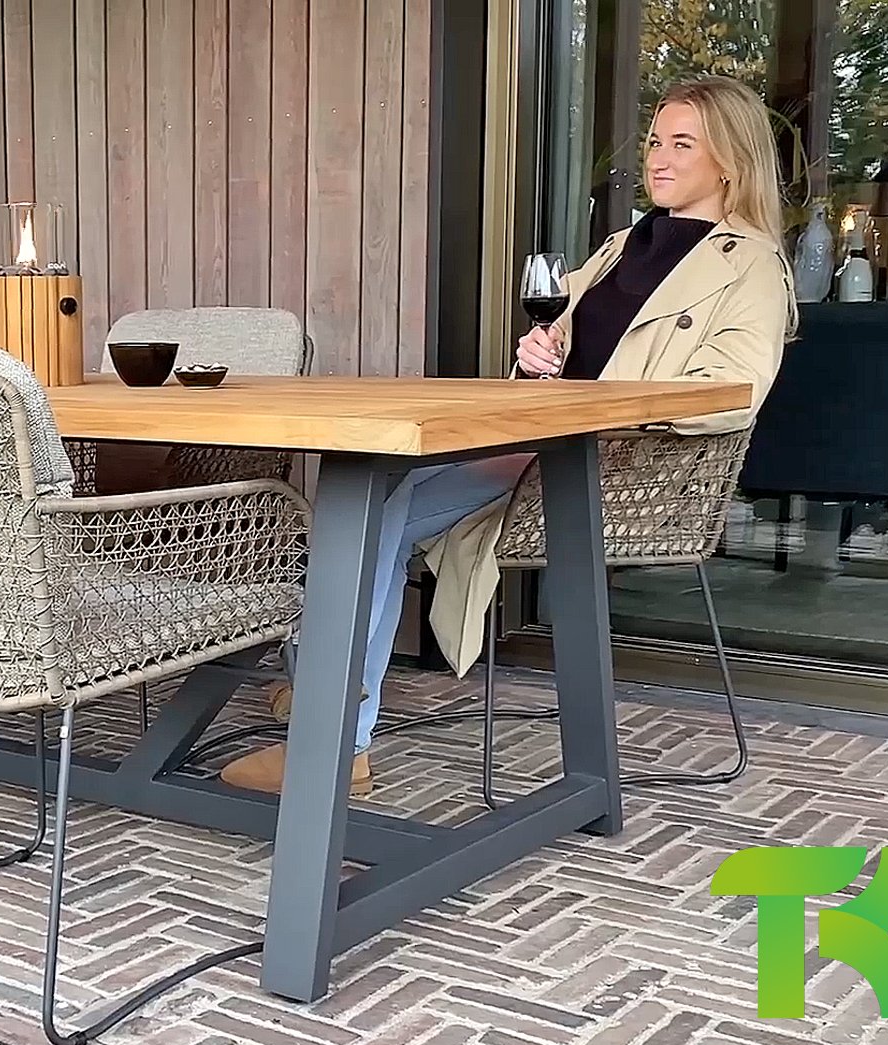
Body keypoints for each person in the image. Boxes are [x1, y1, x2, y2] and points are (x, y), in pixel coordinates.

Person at [220, 74, 797, 796]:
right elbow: (565, 343)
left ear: (730, 161)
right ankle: (327, 697)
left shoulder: (751, 265)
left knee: (373, 511)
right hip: (541, 446)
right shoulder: (626, 246)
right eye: (655, 141)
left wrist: (596, 408)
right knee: (370, 499)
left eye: (684, 144)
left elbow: (734, 393)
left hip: (618, 468)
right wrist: (537, 355)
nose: (659, 158)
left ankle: (332, 743)